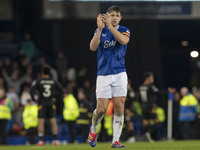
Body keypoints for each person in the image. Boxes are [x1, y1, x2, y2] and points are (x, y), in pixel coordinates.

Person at [88, 5, 130, 148]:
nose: (115, 18)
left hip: (120, 73)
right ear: (107, 16)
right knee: (101, 109)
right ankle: (93, 130)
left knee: (119, 105)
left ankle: (115, 140)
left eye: (117, 16)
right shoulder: (100, 30)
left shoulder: (124, 30)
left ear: (120, 18)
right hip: (104, 74)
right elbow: (93, 47)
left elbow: (123, 41)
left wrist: (110, 27)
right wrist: (100, 29)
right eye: (112, 15)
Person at [30, 66, 63, 146]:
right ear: (49, 73)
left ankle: (41, 141)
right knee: (53, 121)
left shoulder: (39, 81)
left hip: (42, 103)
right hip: (51, 103)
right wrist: (55, 97)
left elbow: (31, 90)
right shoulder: (53, 81)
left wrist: (34, 99)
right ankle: (55, 140)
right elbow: (61, 89)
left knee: (41, 121)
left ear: (42, 73)